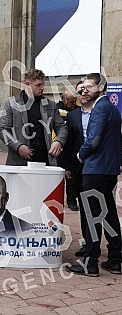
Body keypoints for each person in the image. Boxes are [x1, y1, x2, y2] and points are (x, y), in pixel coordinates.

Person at [66, 73, 122, 277]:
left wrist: (82, 153)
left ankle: (90, 262)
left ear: (102, 87)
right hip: (108, 171)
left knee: (92, 217)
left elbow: (94, 139)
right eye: (82, 87)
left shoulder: (100, 108)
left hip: (95, 170)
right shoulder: (112, 109)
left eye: (89, 86)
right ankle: (115, 259)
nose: (84, 90)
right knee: (108, 215)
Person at [0, 68, 67, 166]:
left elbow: (61, 127)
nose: (42, 87)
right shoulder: (11, 104)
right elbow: (3, 130)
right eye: (38, 85)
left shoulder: (50, 105)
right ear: (27, 84)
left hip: (45, 158)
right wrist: (18, 146)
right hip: (19, 160)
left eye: (43, 84)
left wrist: (59, 141)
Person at [63, 81, 94, 258]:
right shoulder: (73, 116)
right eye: (79, 91)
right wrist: (67, 166)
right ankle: (89, 244)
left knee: (104, 209)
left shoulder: (101, 111)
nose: (82, 94)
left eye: (86, 90)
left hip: (99, 169)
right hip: (79, 168)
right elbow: (68, 144)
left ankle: (114, 250)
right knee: (85, 209)